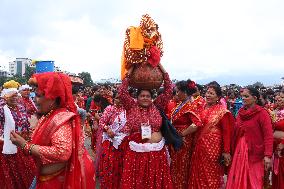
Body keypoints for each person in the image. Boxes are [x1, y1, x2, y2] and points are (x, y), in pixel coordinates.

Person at [10, 72, 96, 189]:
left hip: (55, 181)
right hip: (46, 176)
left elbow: (62, 152)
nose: (35, 100)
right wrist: (27, 138)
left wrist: (25, 145)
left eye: (39, 96)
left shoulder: (61, 118)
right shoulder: (49, 114)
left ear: (53, 98)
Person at [119, 64, 173, 189]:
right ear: (136, 98)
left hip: (157, 153)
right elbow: (122, 91)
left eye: (148, 96)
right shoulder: (131, 106)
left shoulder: (157, 105)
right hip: (136, 154)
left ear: (152, 98)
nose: (145, 98)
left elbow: (169, 90)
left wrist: (161, 68)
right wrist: (131, 68)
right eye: (142, 96)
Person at [188, 82, 234, 189]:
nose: (208, 95)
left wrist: (226, 151)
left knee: (210, 172)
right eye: (207, 92)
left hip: (213, 148)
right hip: (199, 145)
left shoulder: (222, 112)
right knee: (198, 170)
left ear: (218, 97)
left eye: (211, 93)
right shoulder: (201, 108)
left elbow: (227, 133)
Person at [226, 87, 273, 189]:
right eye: (242, 96)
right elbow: (235, 132)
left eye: (246, 96)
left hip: (255, 153)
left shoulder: (262, 113)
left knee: (253, 180)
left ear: (255, 98)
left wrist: (268, 155)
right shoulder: (240, 113)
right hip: (239, 151)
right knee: (238, 178)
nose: (243, 98)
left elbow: (268, 135)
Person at [0, 80, 36, 189]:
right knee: (9, 173)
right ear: (5, 97)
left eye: (16, 96)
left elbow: (25, 123)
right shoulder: (2, 108)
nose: (15, 98)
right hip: (5, 143)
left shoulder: (21, 106)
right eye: (12, 96)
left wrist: (28, 133)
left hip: (21, 141)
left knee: (25, 170)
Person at [169, 80, 203, 189]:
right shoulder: (181, 104)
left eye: (178, 91)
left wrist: (182, 134)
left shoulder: (190, 105)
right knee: (176, 165)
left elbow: (197, 124)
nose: (176, 93)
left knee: (181, 167)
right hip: (177, 139)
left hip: (184, 141)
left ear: (185, 92)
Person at [97, 92, 127, 189]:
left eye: (122, 98)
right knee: (109, 165)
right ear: (114, 99)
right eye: (117, 98)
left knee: (120, 166)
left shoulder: (127, 110)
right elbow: (101, 122)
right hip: (109, 142)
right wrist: (107, 129)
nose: (120, 100)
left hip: (122, 143)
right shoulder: (109, 109)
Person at [272, 91, 284, 189]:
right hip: (275, 145)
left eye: (282, 97)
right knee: (276, 169)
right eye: (278, 97)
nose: (279, 99)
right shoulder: (274, 112)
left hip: (282, 145)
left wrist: (283, 143)